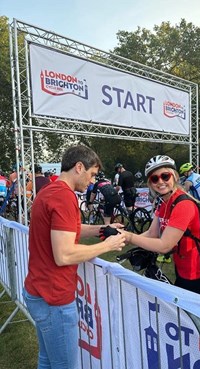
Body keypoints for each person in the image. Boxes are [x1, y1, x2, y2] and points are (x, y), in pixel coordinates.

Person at [23, 145, 126, 369]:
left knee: (47, 361)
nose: (92, 181)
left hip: (39, 291)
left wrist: (101, 230)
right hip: (54, 297)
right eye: (92, 174)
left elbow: (69, 229)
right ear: (79, 167)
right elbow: (65, 254)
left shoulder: (50, 191)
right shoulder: (63, 196)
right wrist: (107, 245)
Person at [122, 154, 200, 295]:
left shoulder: (183, 205)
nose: (160, 182)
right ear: (150, 183)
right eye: (154, 178)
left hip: (196, 272)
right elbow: (153, 233)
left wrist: (129, 237)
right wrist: (122, 239)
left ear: (175, 176)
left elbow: (165, 245)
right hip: (181, 266)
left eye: (165, 176)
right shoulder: (164, 202)